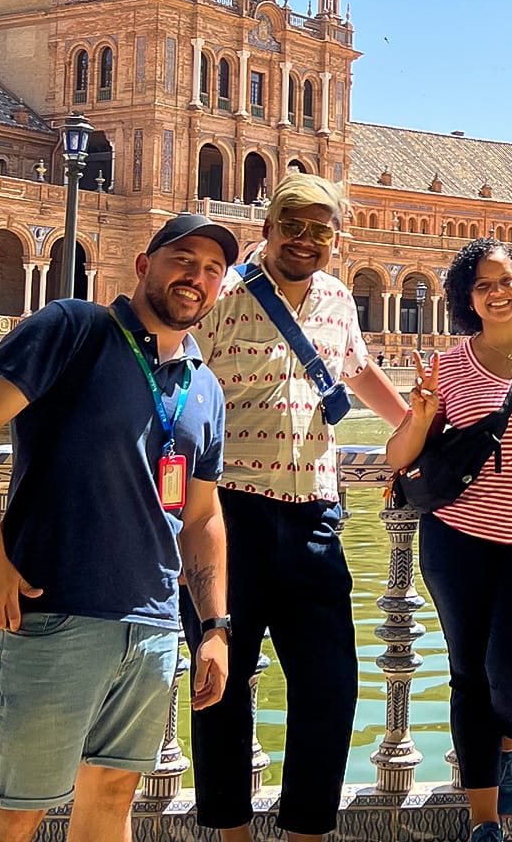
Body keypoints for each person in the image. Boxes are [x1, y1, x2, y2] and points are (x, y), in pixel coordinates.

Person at [0, 214, 237, 842]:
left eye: (213, 270)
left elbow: (203, 514)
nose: (197, 277)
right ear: (143, 265)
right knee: (15, 812)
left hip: (154, 625)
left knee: (113, 799)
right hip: (57, 612)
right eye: (183, 259)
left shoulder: (205, 386)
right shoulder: (72, 327)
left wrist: (213, 625)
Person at [186, 173, 408, 842]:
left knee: (331, 685)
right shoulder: (221, 295)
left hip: (315, 515)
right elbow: (181, 382)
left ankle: (307, 831)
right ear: (268, 227)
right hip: (229, 514)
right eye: (294, 225)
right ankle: (232, 831)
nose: (305, 239)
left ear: (338, 238)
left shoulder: (339, 299)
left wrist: (413, 436)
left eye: (320, 228)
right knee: (218, 682)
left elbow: (356, 370)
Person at [385, 238, 512, 842]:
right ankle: (484, 823)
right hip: (457, 538)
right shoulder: (449, 365)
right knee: (468, 674)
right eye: (482, 285)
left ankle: (508, 745)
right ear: (466, 298)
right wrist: (420, 416)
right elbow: (400, 458)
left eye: (506, 280)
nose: (496, 293)